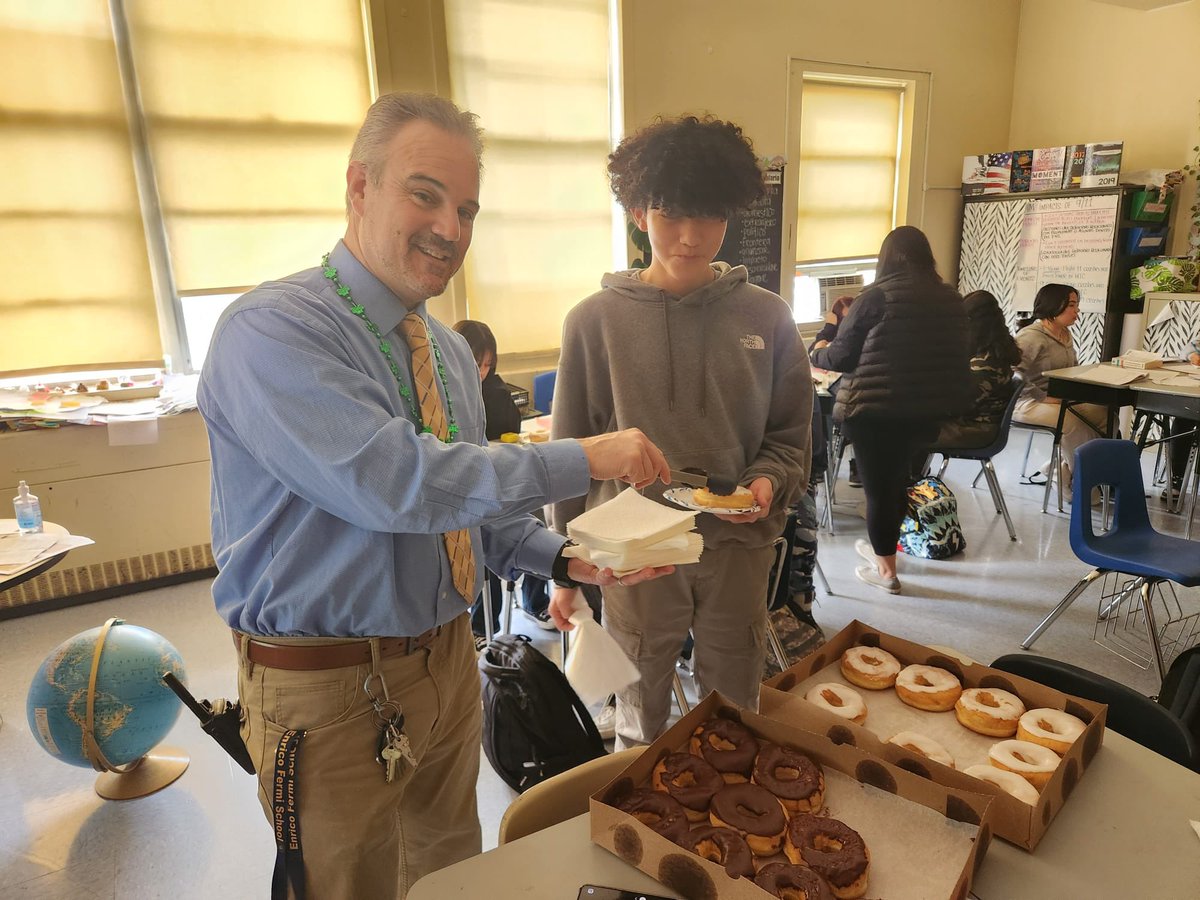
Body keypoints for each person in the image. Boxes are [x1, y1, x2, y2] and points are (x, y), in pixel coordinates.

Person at [197, 92, 676, 900]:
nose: (449, 229)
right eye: (424, 194)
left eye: (466, 208)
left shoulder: (449, 352)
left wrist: (565, 557)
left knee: (450, 871)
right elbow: (400, 485)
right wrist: (584, 455)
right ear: (360, 187)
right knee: (347, 885)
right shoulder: (272, 333)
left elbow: (463, 511)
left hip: (448, 663)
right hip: (327, 686)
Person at [547, 115, 813, 750]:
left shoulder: (769, 318)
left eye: (709, 216)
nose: (691, 237)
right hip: (633, 550)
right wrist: (562, 564)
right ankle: (637, 818)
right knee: (640, 708)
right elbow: (569, 453)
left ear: (731, 214)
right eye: (671, 216)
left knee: (734, 702)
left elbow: (791, 439)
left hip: (738, 548)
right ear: (640, 213)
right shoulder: (593, 322)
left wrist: (768, 482)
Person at [811, 225, 970, 595]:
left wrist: (821, 342)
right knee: (899, 483)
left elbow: (840, 357)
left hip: (875, 413)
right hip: (929, 412)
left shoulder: (876, 296)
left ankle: (887, 572)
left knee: (881, 492)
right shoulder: (950, 298)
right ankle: (888, 552)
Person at [452, 320, 554, 644]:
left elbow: (512, 428)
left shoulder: (496, 391)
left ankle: (535, 600)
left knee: (534, 522)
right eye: (476, 363)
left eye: (487, 364)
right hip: (470, 487)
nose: (482, 371)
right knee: (484, 542)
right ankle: (483, 625)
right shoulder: (447, 394)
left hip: (504, 475)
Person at [1013, 283, 1106, 490]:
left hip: (1056, 399)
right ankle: (1084, 483)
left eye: (1077, 304)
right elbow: (1013, 375)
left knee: (1105, 415)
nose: (1077, 310)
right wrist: (1042, 397)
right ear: (1054, 306)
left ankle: (1067, 471)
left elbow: (1070, 370)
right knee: (1072, 422)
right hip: (1026, 402)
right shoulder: (1031, 337)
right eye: (1072, 305)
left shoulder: (1064, 334)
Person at [931, 290, 1022, 449]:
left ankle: (909, 473)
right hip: (975, 425)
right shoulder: (994, 354)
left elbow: (955, 406)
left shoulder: (985, 365)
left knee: (905, 429)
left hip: (973, 431)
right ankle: (913, 473)